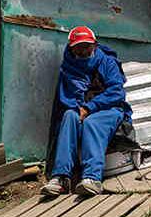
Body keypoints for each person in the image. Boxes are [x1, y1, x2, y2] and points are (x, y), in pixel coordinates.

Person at [41, 26, 131, 198]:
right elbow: (65, 97)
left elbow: (116, 93)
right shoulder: (68, 67)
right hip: (80, 109)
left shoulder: (106, 62)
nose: (82, 50)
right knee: (68, 116)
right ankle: (60, 178)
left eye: (86, 46)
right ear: (71, 47)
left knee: (92, 122)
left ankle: (92, 178)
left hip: (109, 109)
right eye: (78, 47)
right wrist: (78, 109)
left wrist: (89, 108)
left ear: (94, 45)